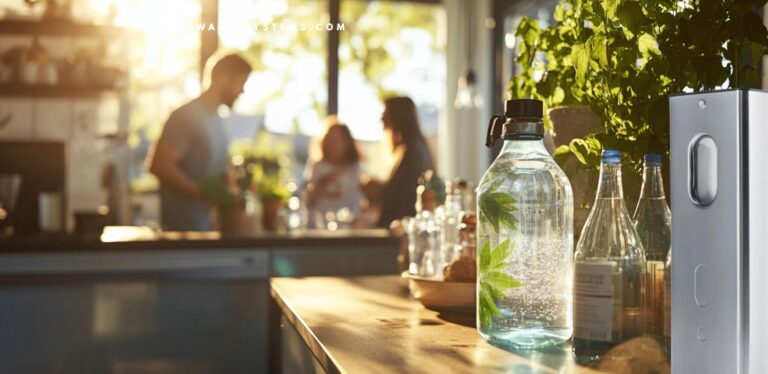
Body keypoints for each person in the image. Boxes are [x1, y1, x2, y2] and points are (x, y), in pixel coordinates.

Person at [147, 52, 252, 231]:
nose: (242, 91)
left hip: (206, 227)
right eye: (241, 83)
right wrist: (202, 194)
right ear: (224, 79)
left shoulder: (218, 120)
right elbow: (160, 165)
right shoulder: (186, 116)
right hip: (181, 231)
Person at [364, 96, 434, 227]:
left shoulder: (411, 151)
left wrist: (376, 189)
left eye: (385, 114)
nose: (381, 119)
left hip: (402, 228)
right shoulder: (412, 149)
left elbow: (403, 196)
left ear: (398, 116)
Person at [304, 122, 364, 227]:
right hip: (318, 225)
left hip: (347, 226)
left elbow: (358, 200)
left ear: (347, 143)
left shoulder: (354, 168)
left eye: (338, 139)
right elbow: (308, 202)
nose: (333, 144)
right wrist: (322, 182)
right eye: (330, 139)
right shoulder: (318, 166)